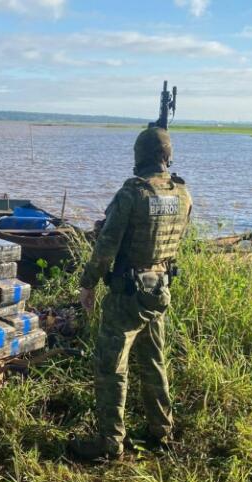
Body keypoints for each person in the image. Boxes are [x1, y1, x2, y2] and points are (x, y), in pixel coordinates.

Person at [68, 127, 192, 461]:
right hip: (159, 289)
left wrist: (89, 283)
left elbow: (106, 248)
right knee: (153, 360)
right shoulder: (182, 194)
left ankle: (110, 443)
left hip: (127, 293)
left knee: (111, 366)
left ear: (139, 156)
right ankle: (161, 430)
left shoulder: (132, 194)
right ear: (167, 157)